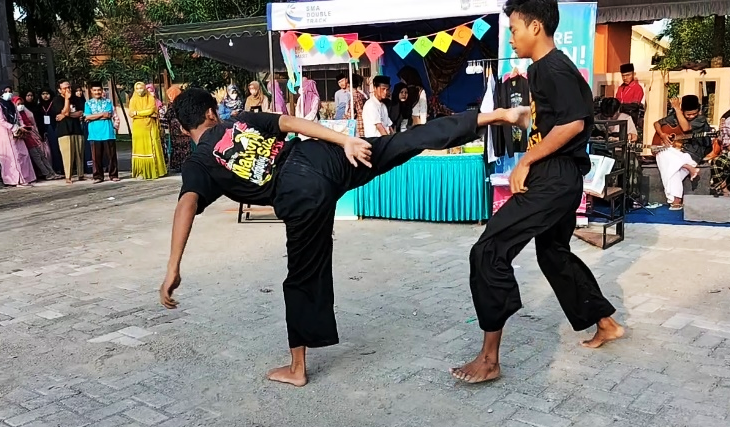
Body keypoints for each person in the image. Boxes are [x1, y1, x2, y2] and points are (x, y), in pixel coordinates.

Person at [158, 87, 526, 387]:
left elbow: (185, 207)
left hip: (300, 194)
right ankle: (495, 116)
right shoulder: (239, 120)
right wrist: (345, 141)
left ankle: (297, 368)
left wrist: (173, 267)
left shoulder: (197, 165)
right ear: (210, 113)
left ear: (187, 125)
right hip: (322, 157)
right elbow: (290, 122)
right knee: (404, 142)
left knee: (302, 277)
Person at [450, 0, 624, 385]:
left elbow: (574, 123)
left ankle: (489, 359)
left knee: (489, 250)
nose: (510, 37)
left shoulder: (551, 67)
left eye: (513, 29)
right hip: (559, 177)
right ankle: (605, 322)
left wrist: (526, 160)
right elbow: (562, 119)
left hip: (554, 178)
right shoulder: (545, 68)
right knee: (553, 253)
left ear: (535, 26)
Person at [652, 95, 708, 210]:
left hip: (692, 153)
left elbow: (686, 128)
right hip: (676, 153)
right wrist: (662, 135)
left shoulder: (700, 119)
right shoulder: (676, 116)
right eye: (688, 114)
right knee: (661, 152)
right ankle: (688, 169)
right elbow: (656, 124)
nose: (692, 116)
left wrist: (677, 109)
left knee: (668, 164)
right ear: (683, 111)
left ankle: (675, 200)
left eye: (694, 113)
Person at [0, 87, 37, 187]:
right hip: (6, 133)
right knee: (14, 157)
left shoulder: (12, 104)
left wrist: (22, 126)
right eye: (6, 92)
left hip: (17, 131)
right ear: (1, 93)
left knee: (23, 154)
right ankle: (17, 180)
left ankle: (27, 177)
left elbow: (18, 117)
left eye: (10, 91)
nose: (8, 94)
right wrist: (13, 127)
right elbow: (1, 120)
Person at [12, 95, 60, 181]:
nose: (20, 105)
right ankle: (47, 174)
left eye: (21, 103)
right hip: (25, 136)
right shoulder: (15, 115)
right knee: (37, 156)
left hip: (32, 135)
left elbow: (31, 122)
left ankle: (52, 172)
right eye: (18, 104)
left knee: (42, 155)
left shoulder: (25, 112)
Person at [130, 81, 168, 179]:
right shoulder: (133, 99)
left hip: (150, 127)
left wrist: (137, 113)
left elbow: (151, 110)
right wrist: (145, 114)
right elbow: (130, 113)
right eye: (137, 88)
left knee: (152, 147)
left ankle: (156, 171)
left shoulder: (150, 98)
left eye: (141, 88)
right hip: (138, 128)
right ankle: (141, 172)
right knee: (139, 149)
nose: (139, 90)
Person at [52, 79, 86, 184]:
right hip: (64, 130)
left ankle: (81, 174)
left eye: (69, 87)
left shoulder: (76, 98)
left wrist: (66, 115)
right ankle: (68, 176)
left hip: (76, 128)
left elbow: (80, 113)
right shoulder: (57, 100)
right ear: (59, 90)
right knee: (67, 154)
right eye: (65, 88)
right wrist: (67, 100)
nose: (68, 90)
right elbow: (64, 111)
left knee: (79, 152)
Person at [84, 81, 119, 183]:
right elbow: (87, 117)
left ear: (102, 90)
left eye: (99, 90)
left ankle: (113, 175)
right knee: (96, 158)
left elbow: (108, 114)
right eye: (95, 90)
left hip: (108, 133)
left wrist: (93, 117)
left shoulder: (108, 102)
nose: (97, 92)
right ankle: (98, 176)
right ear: (91, 91)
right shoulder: (88, 103)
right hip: (94, 134)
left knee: (111, 156)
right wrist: (100, 115)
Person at [165, 85, 192, 172]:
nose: (169, 97)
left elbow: (169, 115)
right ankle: (182, 165)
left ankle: (181, 165)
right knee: (180, 147)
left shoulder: (176, 103)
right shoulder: (183, 102)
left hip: (179, 127)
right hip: (180, 127)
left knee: (182, 147)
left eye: (170, 94)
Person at [38, 88, 63, 174]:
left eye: (47, 93)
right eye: (43, 94)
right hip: (44, 129)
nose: (45, 96)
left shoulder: (54, 104)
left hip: (54, 127)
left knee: (56, 148)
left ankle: (59, 168)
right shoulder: (39, 106)